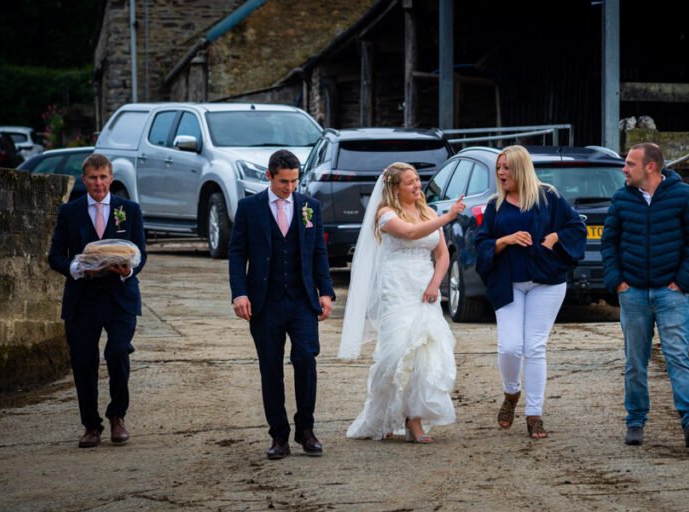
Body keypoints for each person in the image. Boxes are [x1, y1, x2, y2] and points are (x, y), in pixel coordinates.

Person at [339, 163, 466, 443]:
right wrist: (447, 217)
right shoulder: (385, 214)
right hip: (397, 287)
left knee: (425, 353)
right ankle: (385, 414)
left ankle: (414, 419)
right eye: (409, 182)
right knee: (395, 353)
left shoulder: (427, 211)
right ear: (395, 188)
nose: (417, 185)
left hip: (424, 287)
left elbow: (442, 254)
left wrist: (435, 284)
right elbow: (410, 233)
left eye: (418, 180)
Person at [600, 142, 689, 448]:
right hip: (633, 293)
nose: (624, 169)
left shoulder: (684, 196)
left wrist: (683, 281)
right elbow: (609, 243)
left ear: (650, 167)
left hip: (670, 293)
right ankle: (635, 421)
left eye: (630, 164)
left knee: (677, 356)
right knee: (636, 360)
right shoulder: (622, 198)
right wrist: (617, 281)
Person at [474, 145, 587, 439]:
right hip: (508, 282)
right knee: (511, 346)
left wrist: (556, 237)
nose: (501, 173)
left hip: (546, 282)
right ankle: (512, 393)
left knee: (535, 348)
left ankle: (534, 414)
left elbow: (577, 226)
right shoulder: (494, 205)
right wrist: (505, 240)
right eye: (499, 168)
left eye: (506, 168)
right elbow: (482, 243)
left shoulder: (548, 197)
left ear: (520, 169)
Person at [228, 149, 335, 460]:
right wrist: (239, 292)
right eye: (284, 181)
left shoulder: (310, 207)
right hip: (265, 301)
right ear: (269, 177)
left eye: (294, 181)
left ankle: (306, 429)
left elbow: (319, 253)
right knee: (270, 368)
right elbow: (237, 254)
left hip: (302, 299)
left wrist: (325, 291)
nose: (290, 187)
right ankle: (279, 436)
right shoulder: (249, 208)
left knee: (305, 359)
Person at [48, 153, 147, 448]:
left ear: (111, 178)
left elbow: (140, 252)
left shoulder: (129, 210)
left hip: (120, 297)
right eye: (93, 178)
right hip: (83, 298)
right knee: (83, 362)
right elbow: (54, 256)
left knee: (117, 353)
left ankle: (118, 416)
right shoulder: (70, 212)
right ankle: (91, 426)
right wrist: (76, 268)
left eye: (104, 177)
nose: (99, 183)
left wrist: (129, 268)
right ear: (84, 179)